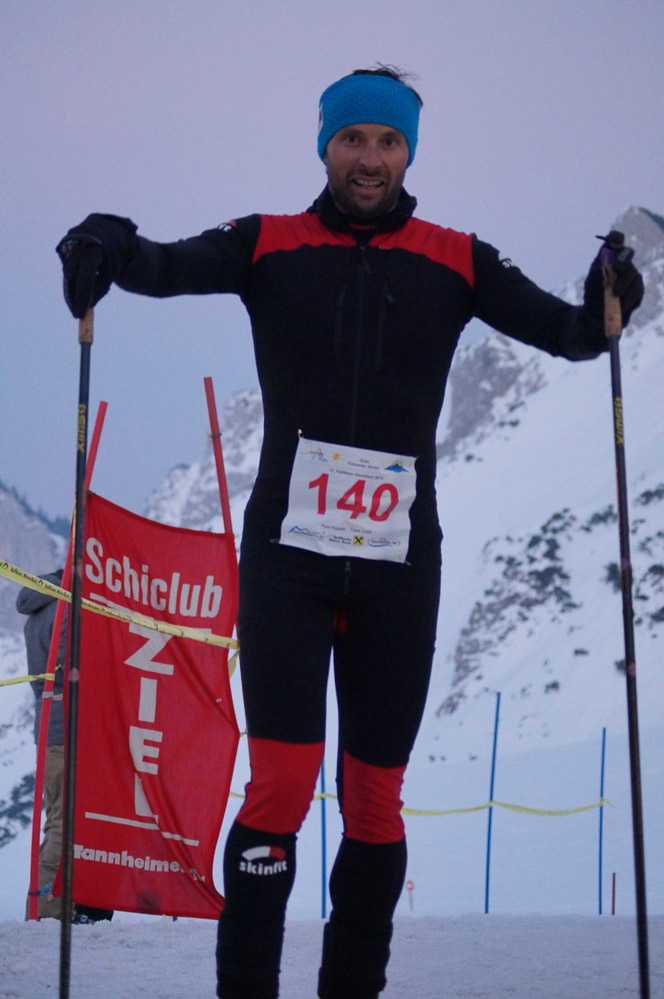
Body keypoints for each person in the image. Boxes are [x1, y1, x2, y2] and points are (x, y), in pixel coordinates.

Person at [55, 66, 643, 998]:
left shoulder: (458, 258)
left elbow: (573, 333)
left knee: (373, 799)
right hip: (288, 562)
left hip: (397, 569)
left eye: (388, 141)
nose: (370, 158)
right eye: (353, 139)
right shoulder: (268, 244)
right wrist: (105, 237)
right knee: (281, 785)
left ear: (410, 152)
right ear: (325, 145)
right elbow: (162, 265)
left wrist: (613, 291)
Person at [17, 571, 114, 925]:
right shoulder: (70, 605)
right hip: (73, 727)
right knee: (68, 822)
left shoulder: (40, 606)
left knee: (60, 818)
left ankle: (56, 905)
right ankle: (49, 909)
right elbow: (71, 669)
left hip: (50, 727)